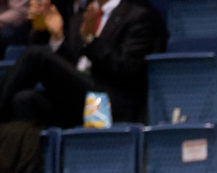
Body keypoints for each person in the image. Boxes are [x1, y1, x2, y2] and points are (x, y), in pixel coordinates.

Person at [0, 0, 166, 128]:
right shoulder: (81, 14)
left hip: (109, 103)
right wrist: (57, 38)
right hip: (79, 100)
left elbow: (127, 70)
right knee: (24, 100)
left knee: (36, 56)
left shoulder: (139, 15)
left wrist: (91, 41)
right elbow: (72, 66)